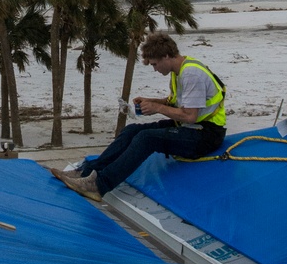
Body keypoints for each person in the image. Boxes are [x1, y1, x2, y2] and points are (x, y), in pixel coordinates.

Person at [52, 32, 226, 202]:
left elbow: (190, 116)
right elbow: (177, 103)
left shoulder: (191, 74)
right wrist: (152, 102)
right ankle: (86, 172)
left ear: (167, 56)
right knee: (131, 130)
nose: (155, 69)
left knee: (146, 138)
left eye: (155, 64)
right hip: (190, 128)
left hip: (206, 135)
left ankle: (99, 185)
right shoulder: (179, 71)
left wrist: (157, 107)